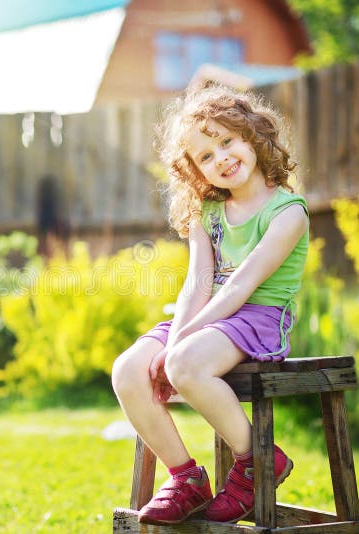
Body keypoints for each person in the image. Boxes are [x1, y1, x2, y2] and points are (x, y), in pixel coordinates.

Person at [111, 83, 309, 525]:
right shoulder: (208, 211)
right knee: (127, 370)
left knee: (183, 363)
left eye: (226, 141)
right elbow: (197, 284)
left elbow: (239, 288)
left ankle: (257, 461)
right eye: (205, 156)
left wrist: (178, 348)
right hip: (206, 318)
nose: (220, 157)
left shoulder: (286, 212)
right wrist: (176, 337)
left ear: (252, 135)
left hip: (256, 317)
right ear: (195, 171)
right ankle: (186, 478)